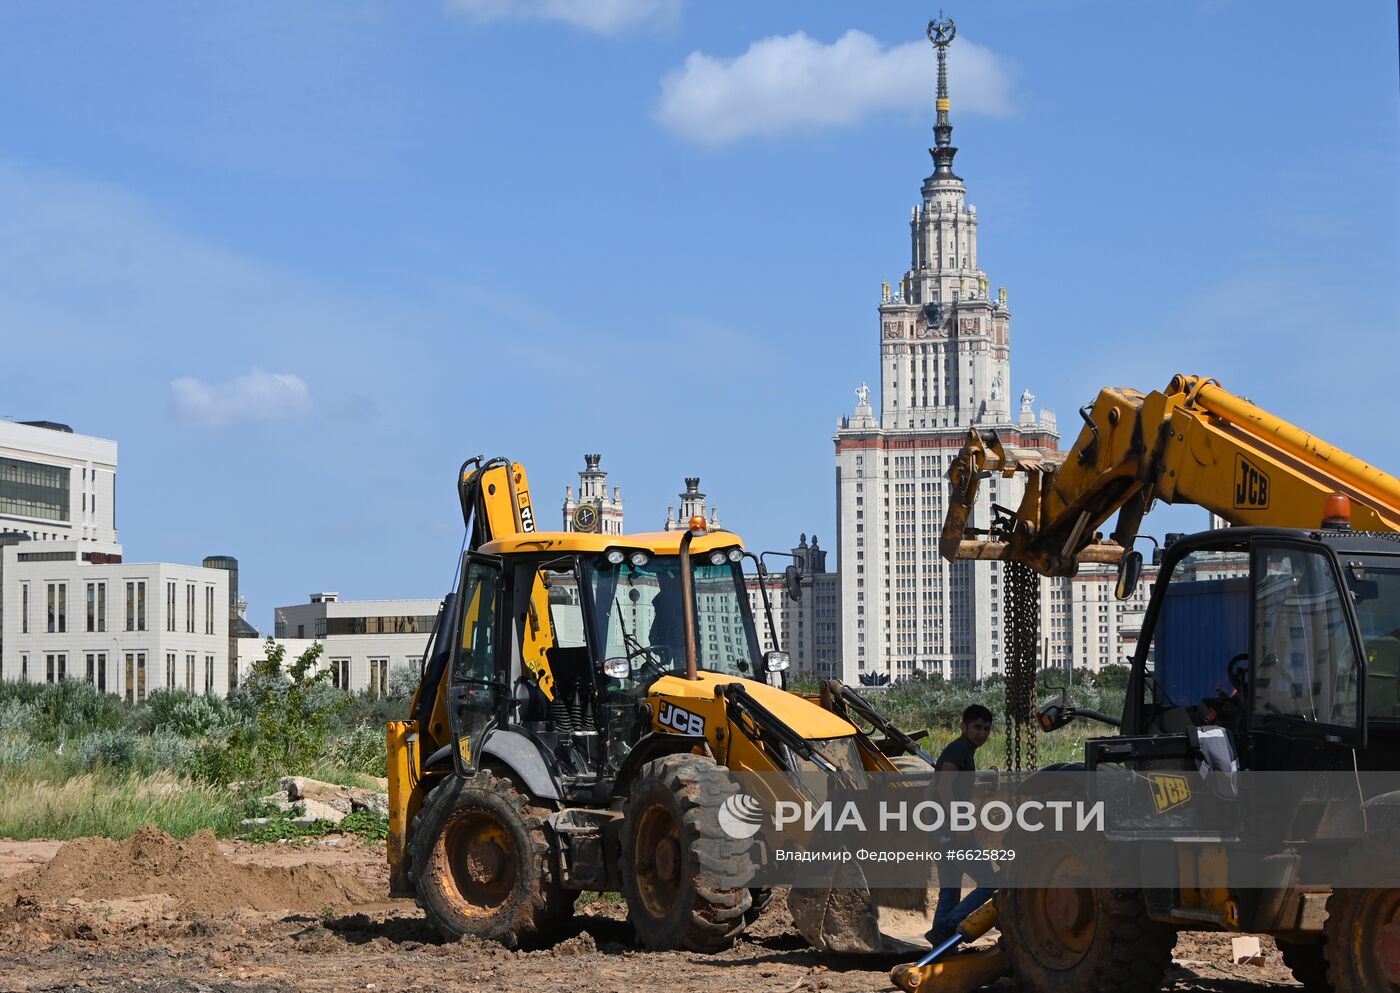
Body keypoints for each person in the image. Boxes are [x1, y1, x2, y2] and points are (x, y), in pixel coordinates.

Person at [927, 703, 996, 945]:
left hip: (941, 827)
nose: (982, 733)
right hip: (949, 827)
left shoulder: (964, 750)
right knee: (990, 882)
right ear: (963, 727)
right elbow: (944, 785)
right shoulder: (958, 749)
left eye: (986, 729)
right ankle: (947, 926)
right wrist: (959, 822)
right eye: (977, 727)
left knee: (950, 889)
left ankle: (941, 949)